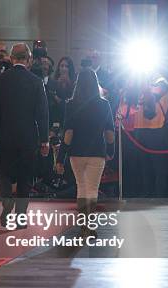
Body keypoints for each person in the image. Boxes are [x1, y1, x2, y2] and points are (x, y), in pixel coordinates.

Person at [0, 43, 50, 228]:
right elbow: (43, 113)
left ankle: (7, 199)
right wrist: (45, 139)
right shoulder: (36, 82)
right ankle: (21, 217)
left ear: (12, 58)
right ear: (28, 60)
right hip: (28, 137)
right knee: (25, 177)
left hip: (5, 135)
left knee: (4, 173)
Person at [55, 68, 115, 237]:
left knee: (81, 188)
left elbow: (68, 134)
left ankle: (83, 224)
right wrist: (111, 151)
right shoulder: (104, 105)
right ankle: (90, 225)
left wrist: (60, 158)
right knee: (92, 189)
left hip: (76, 152)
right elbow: (109, 134)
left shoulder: (71, 104)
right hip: (97, 152)